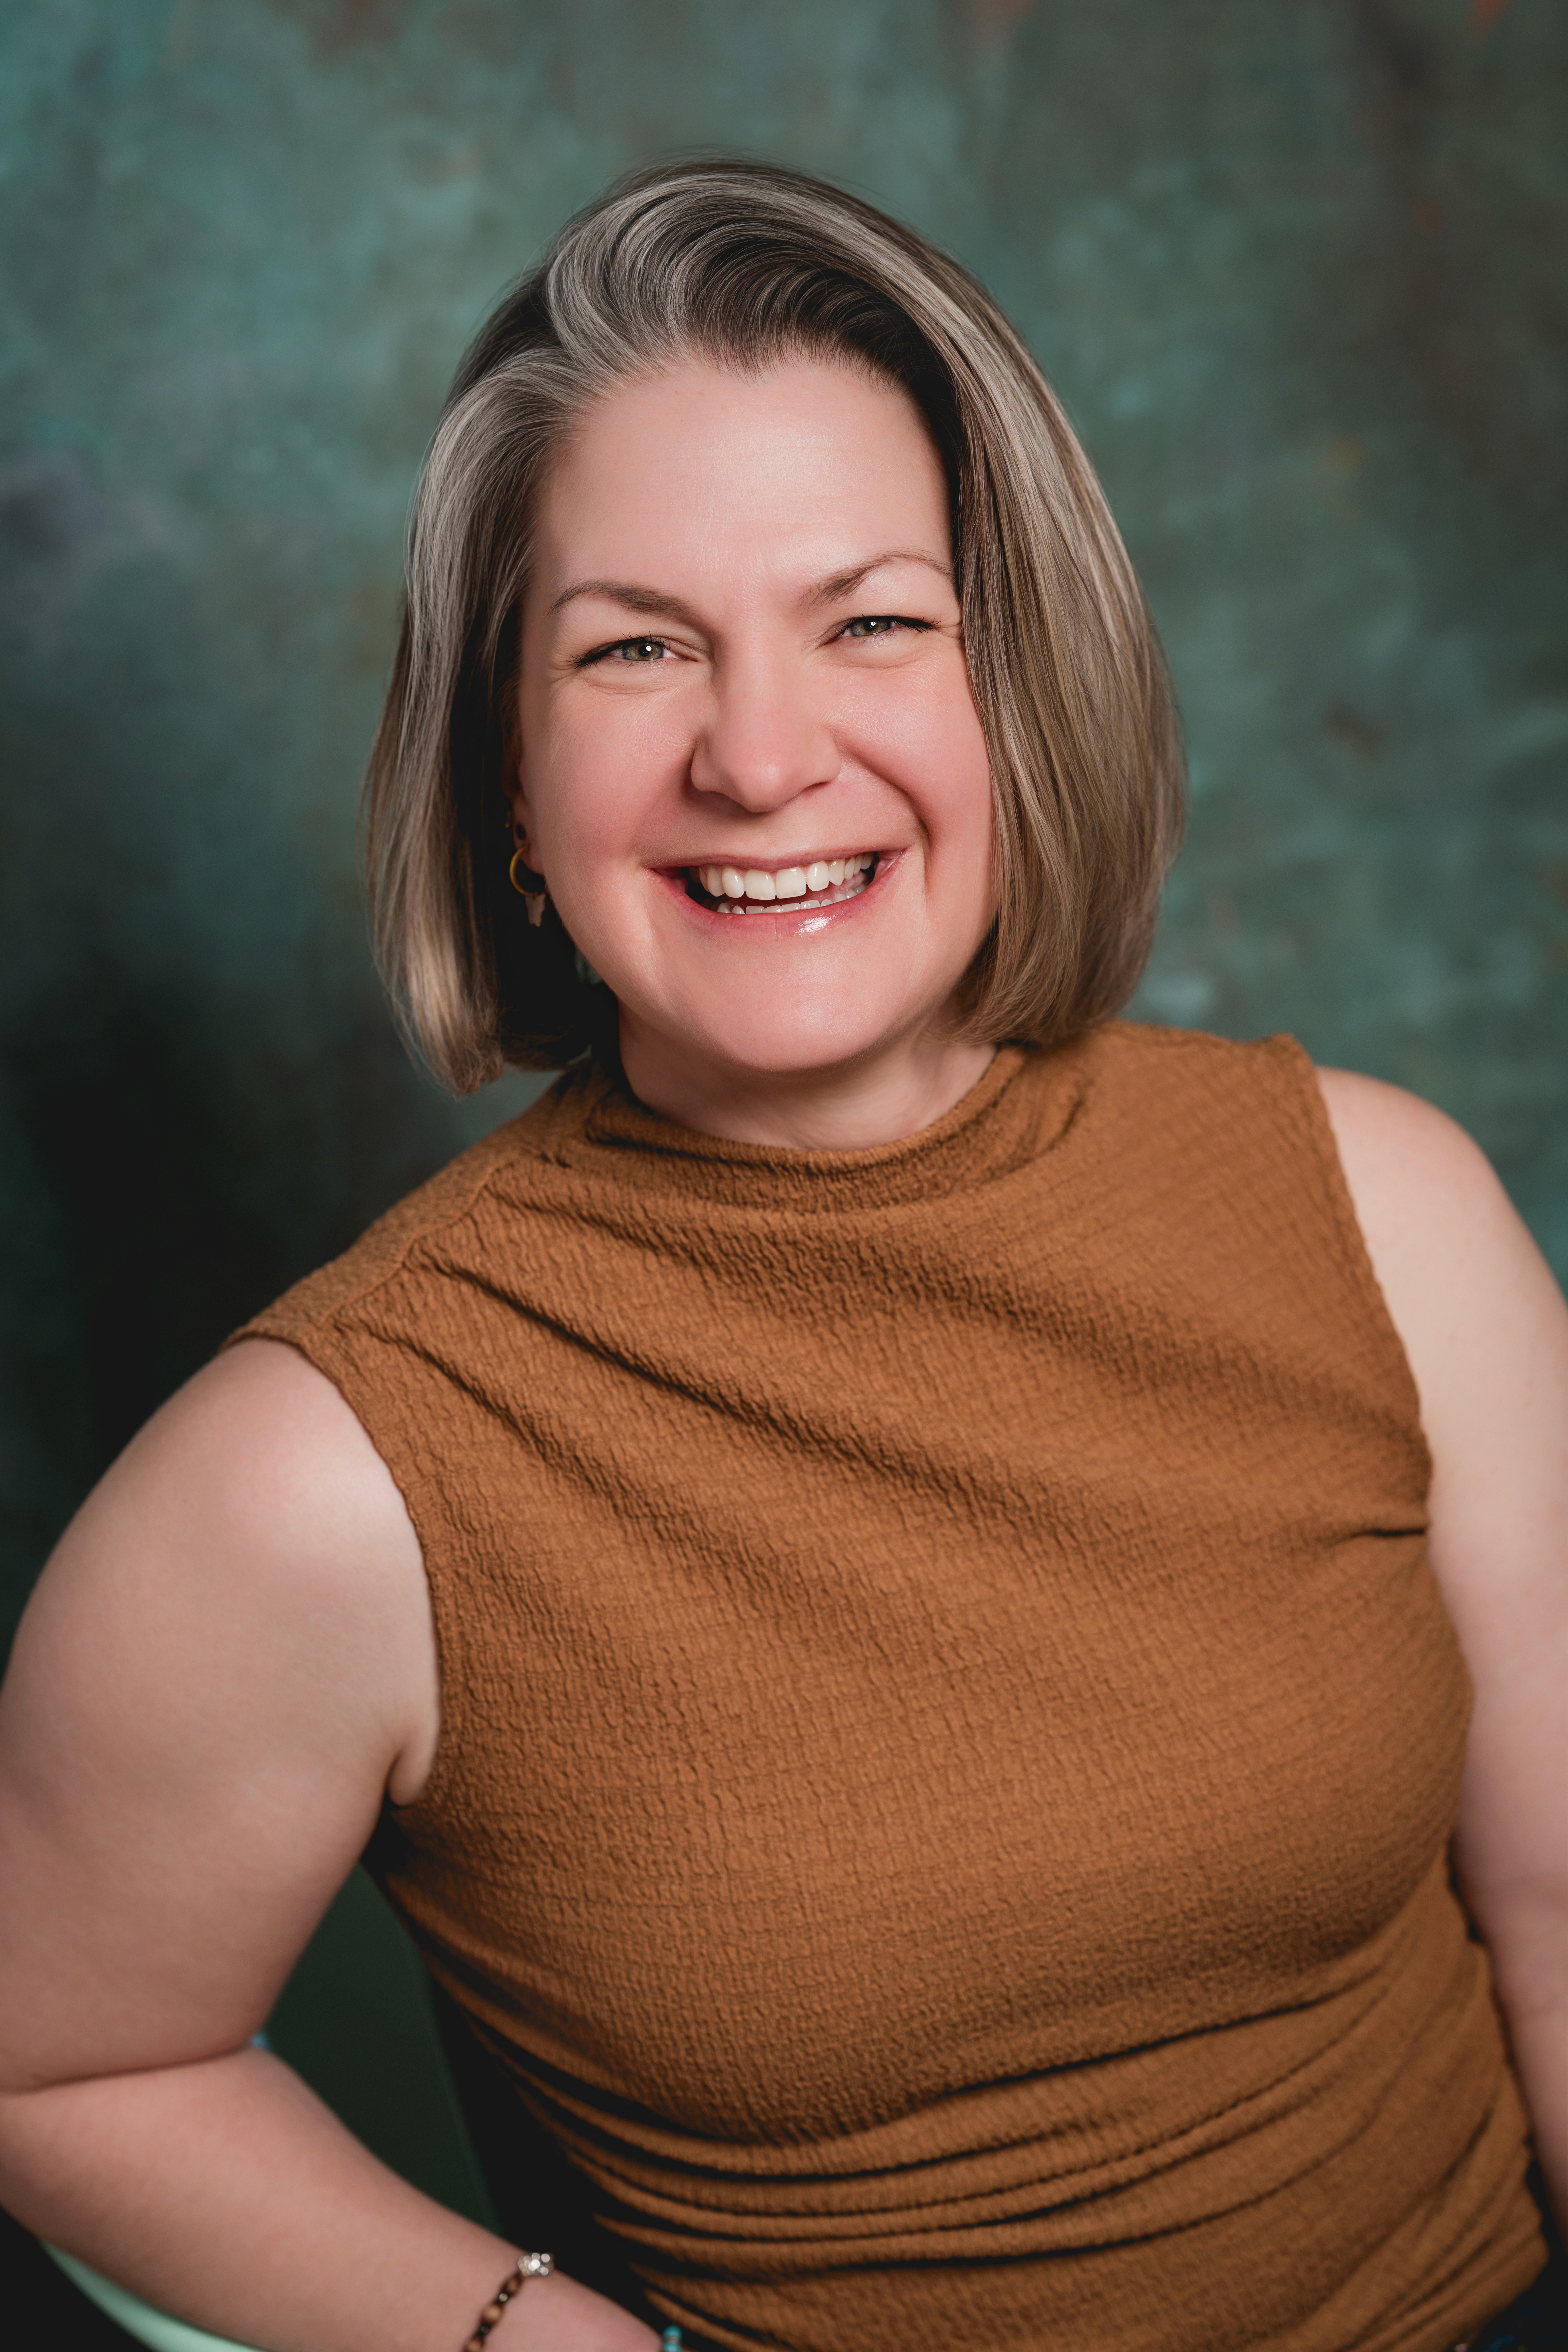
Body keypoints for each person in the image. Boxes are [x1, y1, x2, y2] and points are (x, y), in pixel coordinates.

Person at [0, 159, 1562, 2352]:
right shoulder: (321, 1479)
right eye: (635, 648)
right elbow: (64, 2060)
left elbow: (1564, 1904)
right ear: (506, 792)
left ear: (1014, 684)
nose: (759, 754)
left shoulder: (1383, 1210)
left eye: (873, 620)